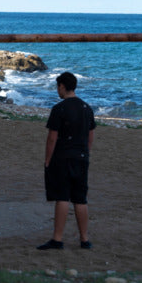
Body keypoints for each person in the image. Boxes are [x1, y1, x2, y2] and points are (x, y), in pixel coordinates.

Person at [38, 71, 96, 250]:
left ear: (62, 86)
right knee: (80, 199)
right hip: (81, 157)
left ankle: (57, 239)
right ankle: (84, 239)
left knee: (62, 197)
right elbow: (90, 136)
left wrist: (47, 159)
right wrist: (86, 153)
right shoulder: (87, 108)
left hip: (62, 157)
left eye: (58, 87)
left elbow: (52, 138)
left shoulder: (59, 108)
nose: (57, 90)